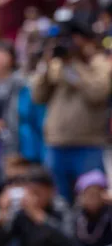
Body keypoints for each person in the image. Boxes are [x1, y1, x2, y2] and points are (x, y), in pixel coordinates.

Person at [31, 18, 112, 203]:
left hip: (88, 146)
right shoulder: (56, 63)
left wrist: (72, 66)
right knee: (59, 201)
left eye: (70, 39)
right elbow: (37, 96)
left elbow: (98, 92)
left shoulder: (98, 62)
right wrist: (45, 64)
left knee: (93, 203)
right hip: (56, 145)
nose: (65, 44)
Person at [0, 41, 44, 184]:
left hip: (23, 150)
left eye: (1, 54)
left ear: (11, 58)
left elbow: (37, 119)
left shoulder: (24, 86)